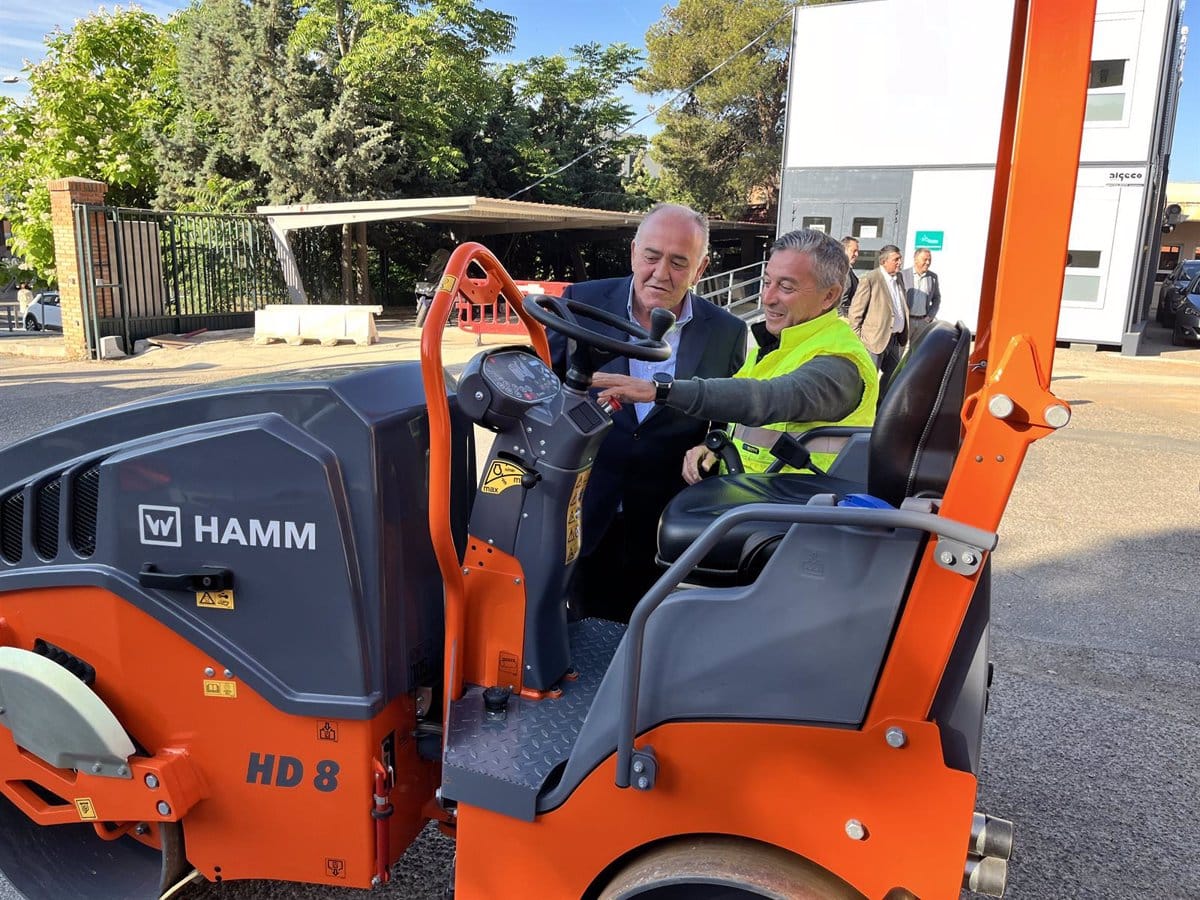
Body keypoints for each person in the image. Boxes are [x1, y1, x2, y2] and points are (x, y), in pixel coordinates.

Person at [549, 203, 748, 622]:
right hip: (582, 508)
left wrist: (711, 446)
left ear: (701, 268)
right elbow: (545, 385)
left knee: (650, 632)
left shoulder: (726, 331)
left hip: (666, 522)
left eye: (679, 262)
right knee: (577, 629)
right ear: (633, 252)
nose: (661, 273)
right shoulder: (581, 303)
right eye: (652, 256)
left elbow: (723, 414)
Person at [594, 227, 878, 485]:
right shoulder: (779, 345)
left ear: (829, 296)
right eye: (767, 282)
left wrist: (661, 390)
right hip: (757, 499)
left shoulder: (840, 362)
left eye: (786, 287)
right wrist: (713, 446)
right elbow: (742, 422)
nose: (768, 298)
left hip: (798, 512)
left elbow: (767, 399)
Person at [848, 244, 908, 386]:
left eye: (900, 259)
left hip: (894, 339)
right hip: (874, 341)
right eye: (896, 259)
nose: (900, 262)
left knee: (894, 377)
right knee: (868, 380)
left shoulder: (899, 278)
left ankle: (882, 400)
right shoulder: (870, 279)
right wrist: (860, 339)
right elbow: (855, 312)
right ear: (884, 261)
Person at [902, 248, 941, 344]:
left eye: (929, 260)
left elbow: (936, 298)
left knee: (917, 350)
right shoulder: (902, 275)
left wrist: (930, 316)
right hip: (906, 322)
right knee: (900, 349)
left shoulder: (933, 277)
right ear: (915, 259)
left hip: (923, 322)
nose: (928, 262)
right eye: (925, 259)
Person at [837, 236, 860, 318]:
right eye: (854, 251)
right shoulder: (843, 270)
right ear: (844, 250)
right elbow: (841, 302)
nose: (856, 254)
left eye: (857, 251)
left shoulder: (847, 269)